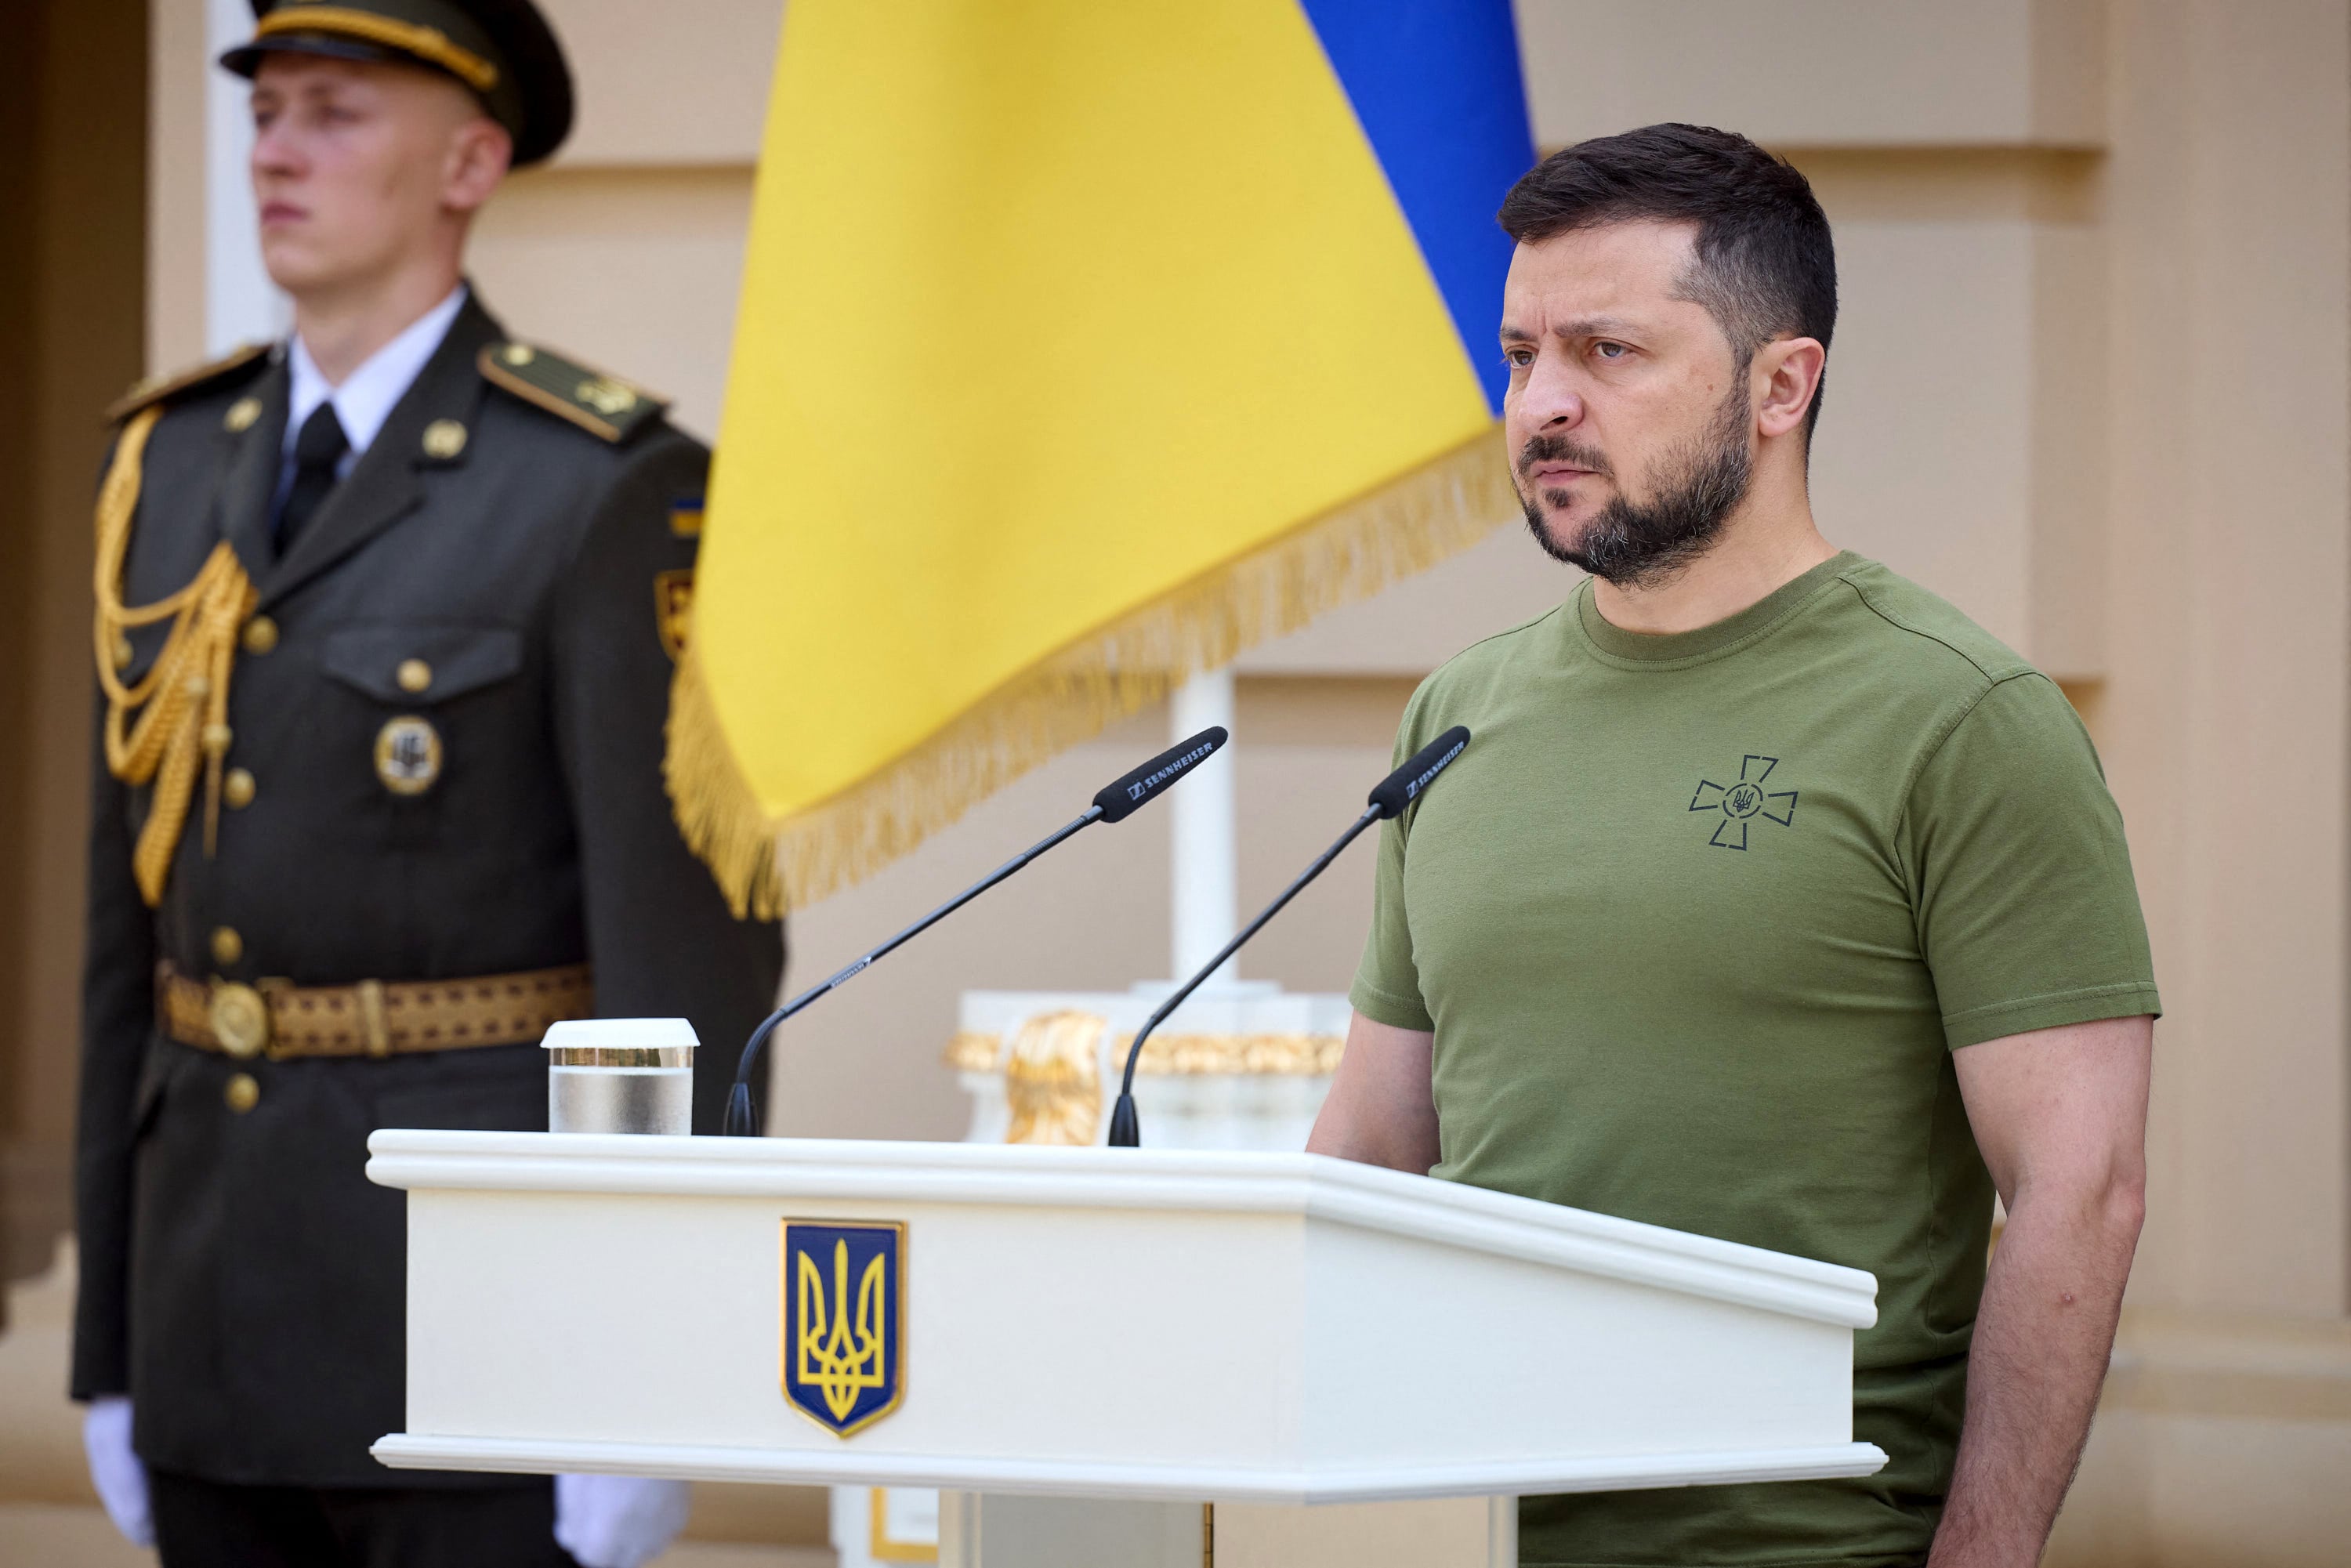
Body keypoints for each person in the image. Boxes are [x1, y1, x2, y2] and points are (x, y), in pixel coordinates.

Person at [1308, 124, 2157, 1568]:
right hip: (1451, 1526)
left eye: (1608, 352)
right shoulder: (1457, 714)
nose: (1542, 402)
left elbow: (2081, 1190)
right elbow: (1376, 1151)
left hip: (1797, 1536)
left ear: (1782, 385)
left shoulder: (1963, 720)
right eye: (1521, 354)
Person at [70, 3, 784, 1564]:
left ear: (468, 163)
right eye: (266, 110)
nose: (276, 150)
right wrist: (108, 1343)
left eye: (333, 112)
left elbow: (684, 971)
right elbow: (125, 949)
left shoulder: (600, 484)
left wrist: (651, 1374)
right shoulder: (166, 467)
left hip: (475, 1332)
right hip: (207, 1322)